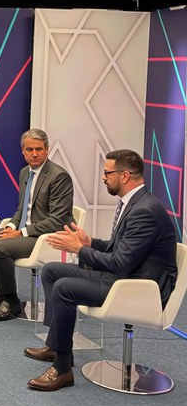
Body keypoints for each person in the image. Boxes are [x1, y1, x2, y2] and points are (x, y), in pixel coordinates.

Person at [23, 149, 177, 391]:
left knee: (64, 288)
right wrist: (89, 243)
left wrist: (79, 249)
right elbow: (119, 250)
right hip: (125, 277)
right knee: (52, 271)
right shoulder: (135, 203)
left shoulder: (144, 210)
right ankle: (56, 346)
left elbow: (120, 263)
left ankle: (63, 369)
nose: (103, 178)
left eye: (107, 173)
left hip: (138, 288)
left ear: (124, 175)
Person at [0, 128, 74, 321]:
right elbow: (22, 209)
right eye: (29, 149)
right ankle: (0, 292)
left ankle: (11, 300)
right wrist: (12, 226)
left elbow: (57, 220)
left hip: (46, 237)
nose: (34, 154)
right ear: (22, 151)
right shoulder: (25, 172)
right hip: (25, 231)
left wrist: (21, 233)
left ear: (47, 150)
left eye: (39, 149)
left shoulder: (58, 176)